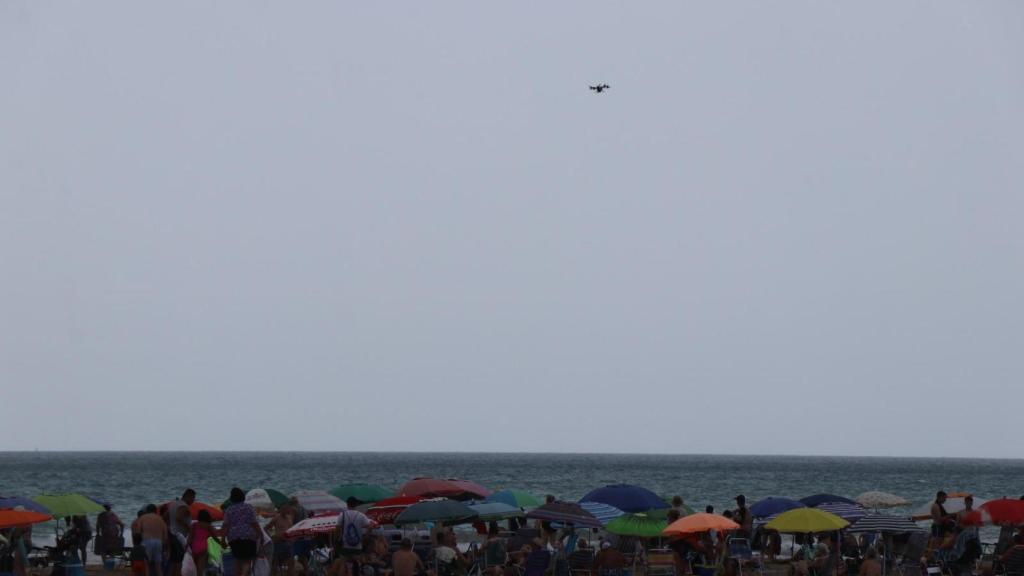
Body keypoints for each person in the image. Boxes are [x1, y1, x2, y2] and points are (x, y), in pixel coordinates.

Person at [222, 487, 262, 576]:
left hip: (234, 538)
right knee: (247, 560)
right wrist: (260, 534)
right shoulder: (249, 508)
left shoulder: (229, 510)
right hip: (248, 536)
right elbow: (254, 523)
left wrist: (222, 539)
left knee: (237, 559)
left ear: (232, 498)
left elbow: (226, 525)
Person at [336, 497, 379, 576]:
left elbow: (337, 528)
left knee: (343, 564)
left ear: (347, 504)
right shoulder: (361, 515)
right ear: (356, 505)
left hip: (345, 545)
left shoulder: (342, 515)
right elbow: (370, 526)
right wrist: (365, 537)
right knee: (358, 564)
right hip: (357, 545)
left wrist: (338, 537)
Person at [187, 509, 222, 576]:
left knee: (195, 568)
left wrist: (186, 547)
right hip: (203, 547)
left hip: (194, 547)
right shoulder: (208, 526)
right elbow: (215, 537)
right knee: (201, 569)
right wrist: (222, 544)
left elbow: (190, 538)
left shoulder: (194, 525)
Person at [138, 504, 169, 576]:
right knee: (158, 567)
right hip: (158, 542)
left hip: (146, 541)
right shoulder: (161, 519)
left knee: (147, 566)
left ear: (147, 511)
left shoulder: (143, 518)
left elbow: (138, 532)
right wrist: (165, 548)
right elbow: (166, 536)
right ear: (155, 511)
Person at [264, 505, 295, 576]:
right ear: (282, 510)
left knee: (291, 562)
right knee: (275, 562)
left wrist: (293, 538)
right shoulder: (277, 518)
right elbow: (266, 528)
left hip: (289, 543)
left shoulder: (290, 517)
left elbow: (292, 529)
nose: (287, 512)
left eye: (288, 511)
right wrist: (270, 537)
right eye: (286, 510)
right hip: (278, 543)